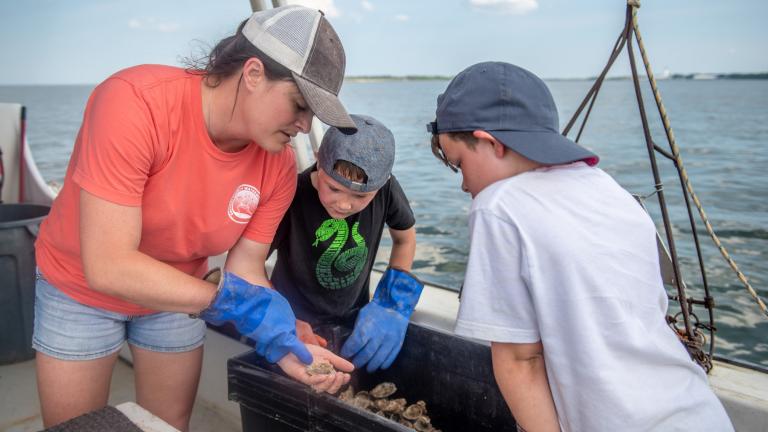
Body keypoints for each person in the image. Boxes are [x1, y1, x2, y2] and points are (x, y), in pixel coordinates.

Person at [32, 5, 356, 430]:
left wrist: (281, 338)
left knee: (167, 426)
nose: (303, 124)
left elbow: (245, 269)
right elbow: (108, 265)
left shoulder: (276, 165)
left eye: (313, 115)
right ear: (253, 74)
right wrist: (233, 304)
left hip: (179, 298)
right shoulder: (135, 103)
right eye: (299, 105)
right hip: (79, 291)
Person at [428, 62, 734, 431]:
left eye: (459, 164)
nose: (464, 186)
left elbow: (519, 361)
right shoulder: (608, 188)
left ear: (491, 143)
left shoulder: (497, 205)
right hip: (699, 411)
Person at [268, 114, 422, 373]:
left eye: (360, 196)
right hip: (294, 325)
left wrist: (390, 303)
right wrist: (283, 321)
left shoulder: (386, 189)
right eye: (334, 188)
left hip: (353, 320)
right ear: (318, 159)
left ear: (382, 183)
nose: (343, 204)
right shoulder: (292, 195)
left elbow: (405, 238)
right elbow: (251, 264)